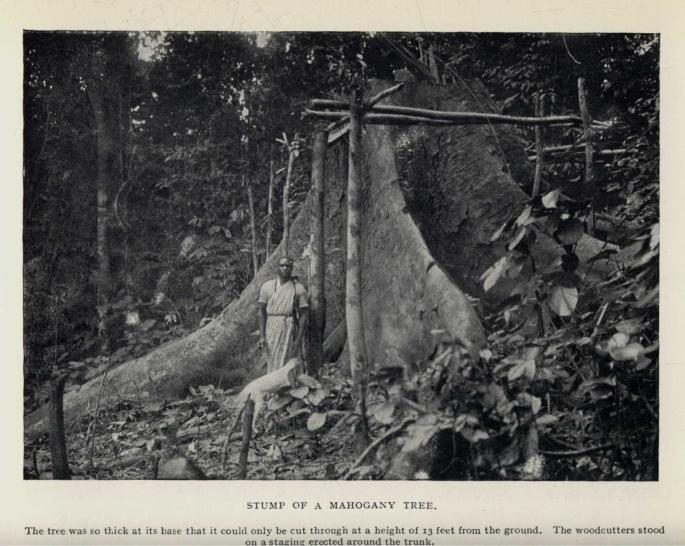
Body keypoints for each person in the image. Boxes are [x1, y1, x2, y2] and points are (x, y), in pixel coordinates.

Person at [257, 257, 309, 372]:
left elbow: (303, 315)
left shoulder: (298, 289)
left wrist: (299, 338)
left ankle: (289, 387)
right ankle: (273, 386)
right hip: (271, 327)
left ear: (292, 268)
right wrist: (262, 336)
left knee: (290, 359)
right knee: (272, 360)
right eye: (282, 265)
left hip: (289, 327)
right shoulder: (267, 287)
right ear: (277, 268)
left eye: (288, 266)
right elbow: (261, 311)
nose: (285, 268)